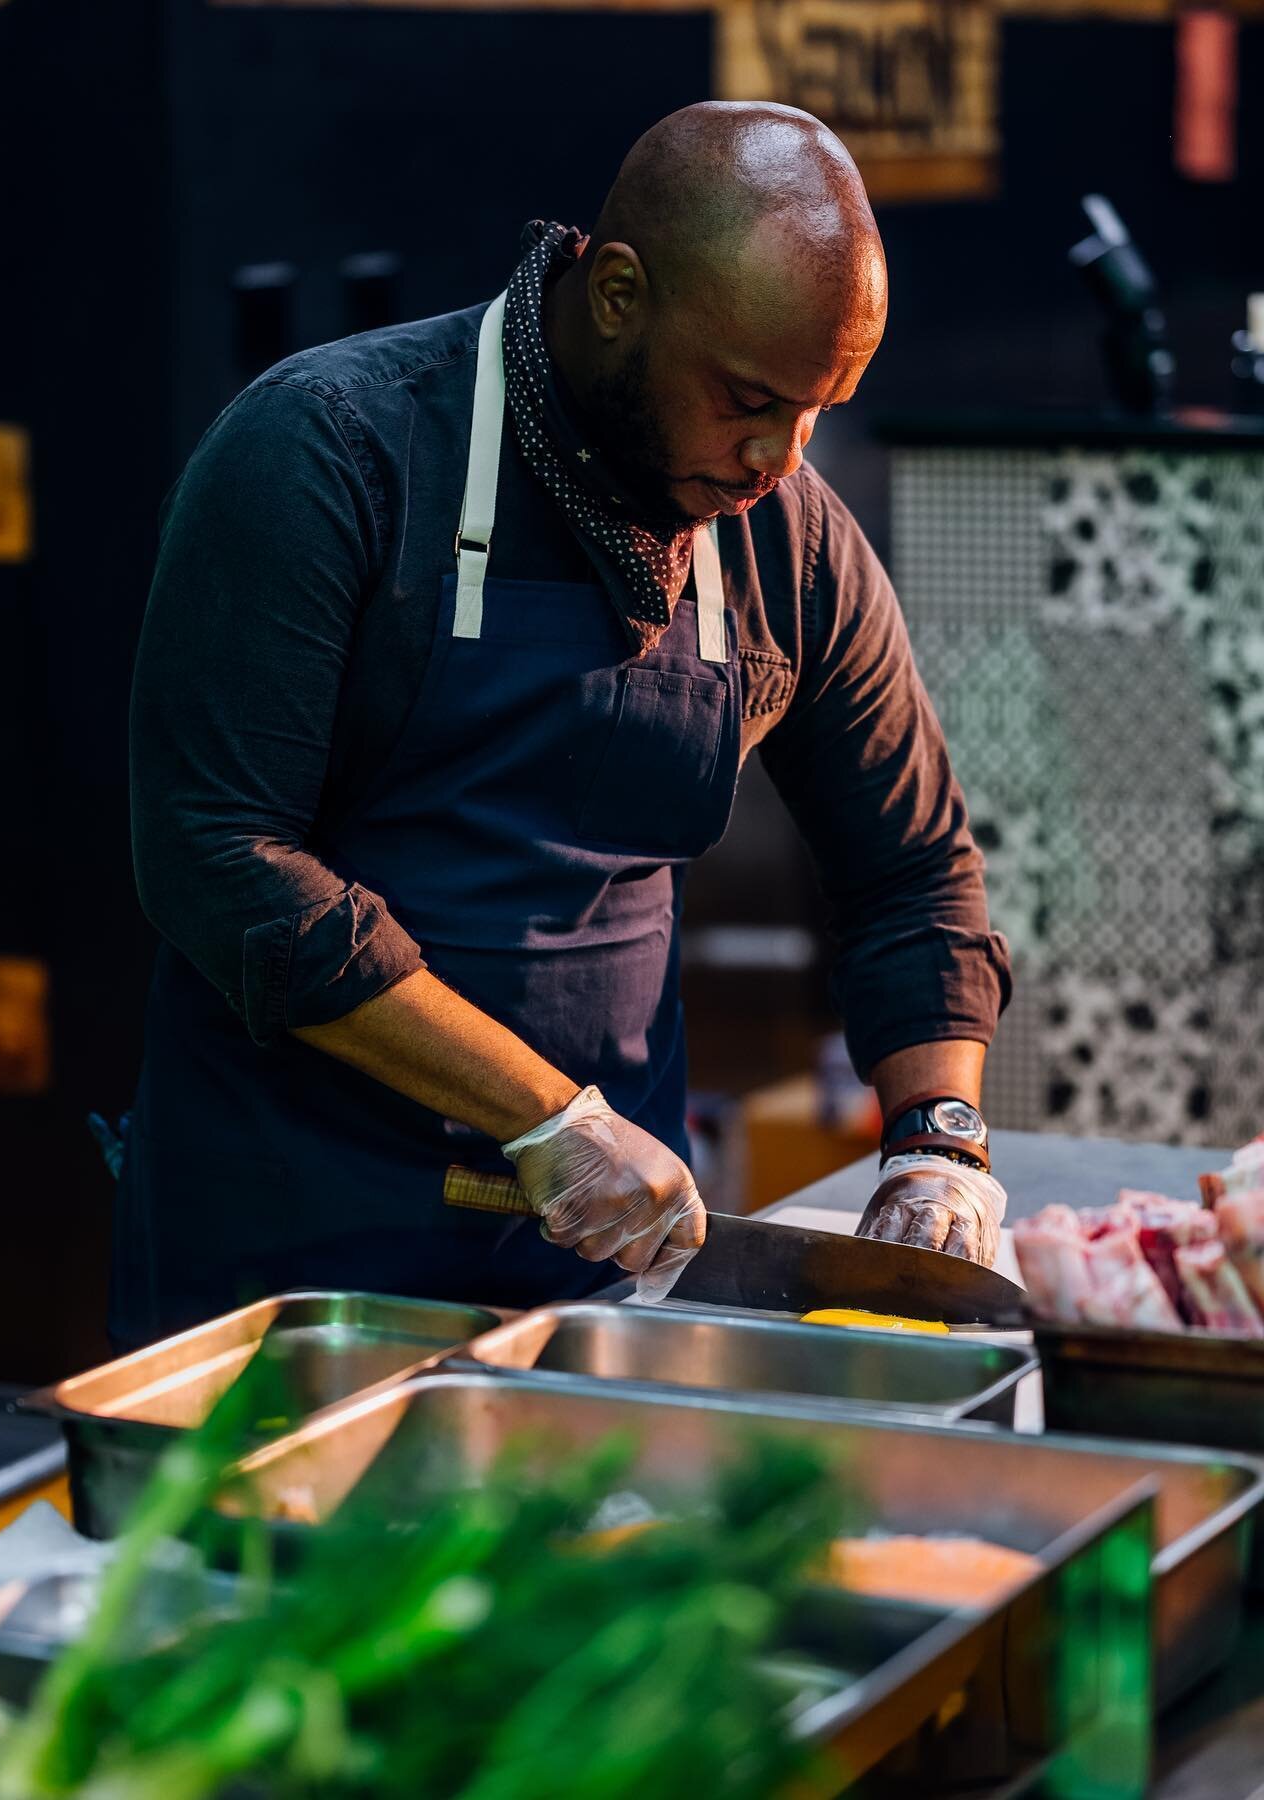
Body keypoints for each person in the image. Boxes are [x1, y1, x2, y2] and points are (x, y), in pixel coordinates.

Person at [113, 101, 1012, 1350]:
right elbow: (218, 861)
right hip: (290, 1257)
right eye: (749, 397)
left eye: (819, 409)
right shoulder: (326, 451)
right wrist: (547, 1117)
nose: (779, 455)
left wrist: (936, 1144)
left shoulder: (787, 533)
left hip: (604, 1271)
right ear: (619, 294)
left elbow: (911, 873)